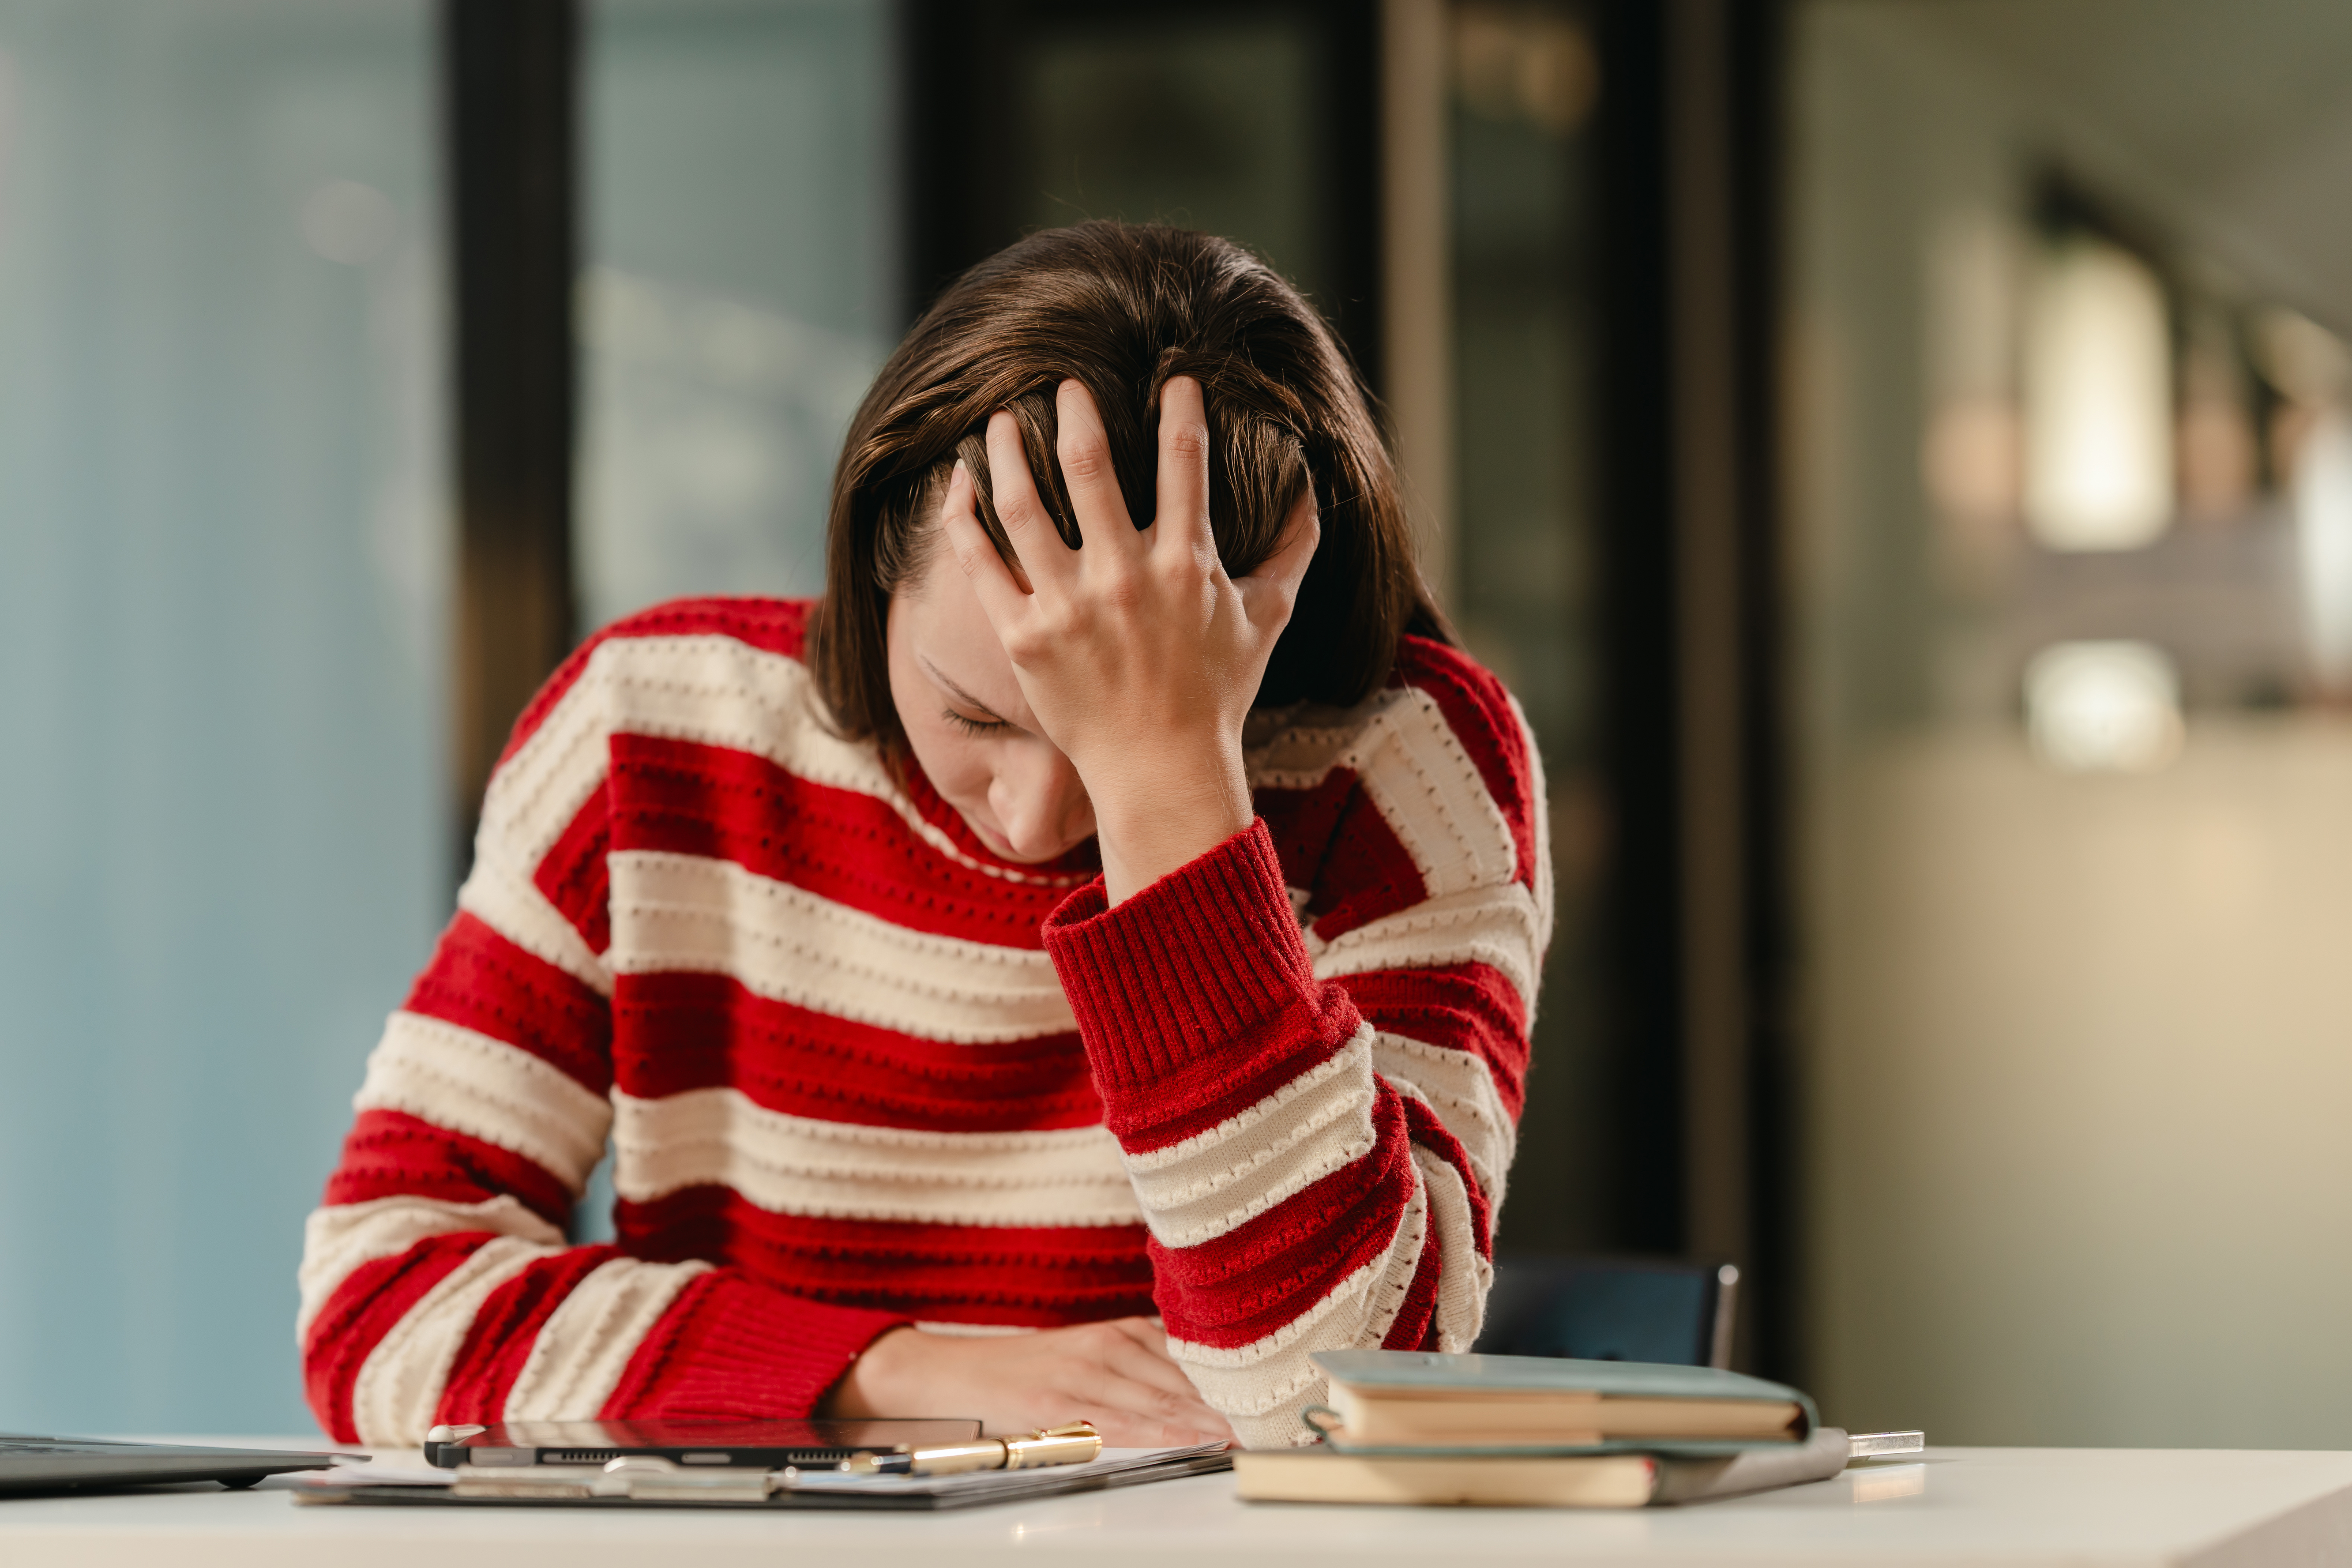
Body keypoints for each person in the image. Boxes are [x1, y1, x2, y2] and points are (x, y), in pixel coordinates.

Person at [298, 222, 1549, 1451]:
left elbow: (1335, 1401)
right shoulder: (652, 735)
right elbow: (378, 1314)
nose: (1038, 816)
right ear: (867, 569)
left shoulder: (1403, 770)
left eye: (1108, 745)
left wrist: (1174, 784)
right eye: (978, 716)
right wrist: (910, 1371)